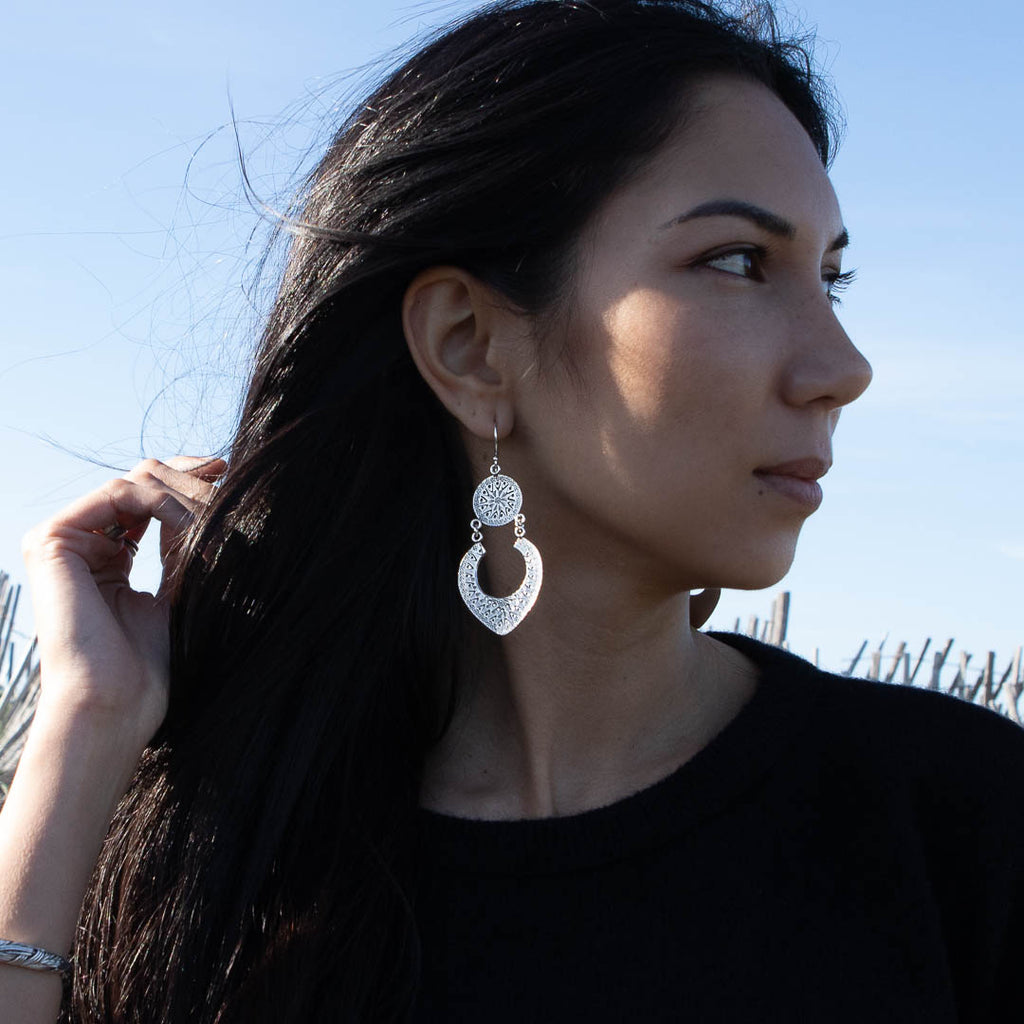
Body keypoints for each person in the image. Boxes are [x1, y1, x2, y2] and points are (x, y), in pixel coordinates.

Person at [2, 0, 1023, 1020]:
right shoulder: (222, 862)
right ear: (471, 346)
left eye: (831, 279)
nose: (844, 368)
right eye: (738, 261)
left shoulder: (964, 822)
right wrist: (84, 732)